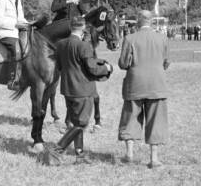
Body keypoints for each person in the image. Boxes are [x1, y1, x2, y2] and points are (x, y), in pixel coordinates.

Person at [55, 16, 113, 163]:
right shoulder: (84, 46)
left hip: (68, 88)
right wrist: (106, 68)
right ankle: (58, 149)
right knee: (82, 124)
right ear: (82, 28)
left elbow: (60, 67)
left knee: (76, 123)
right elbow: (92, 69)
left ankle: (79, 155)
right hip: (83, 90)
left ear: (71, 27)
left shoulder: (60, 44)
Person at [118, 10, 170, 168]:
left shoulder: (129, 38)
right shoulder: (162, 38)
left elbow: (123, 64)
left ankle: (129, 154)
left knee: (130, 118)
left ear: (138, 21)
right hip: (157, 85)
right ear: (152, 21)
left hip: (135, 85)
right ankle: (154, 159)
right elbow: (166, 62)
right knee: (156, 121)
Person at [0, 0, 29, 91]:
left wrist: (29, 24)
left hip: (16, 31)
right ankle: (13, 80)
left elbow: (21, 18)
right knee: (16, 48)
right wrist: (15, 24)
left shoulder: (17, 0)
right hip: (4, 33)